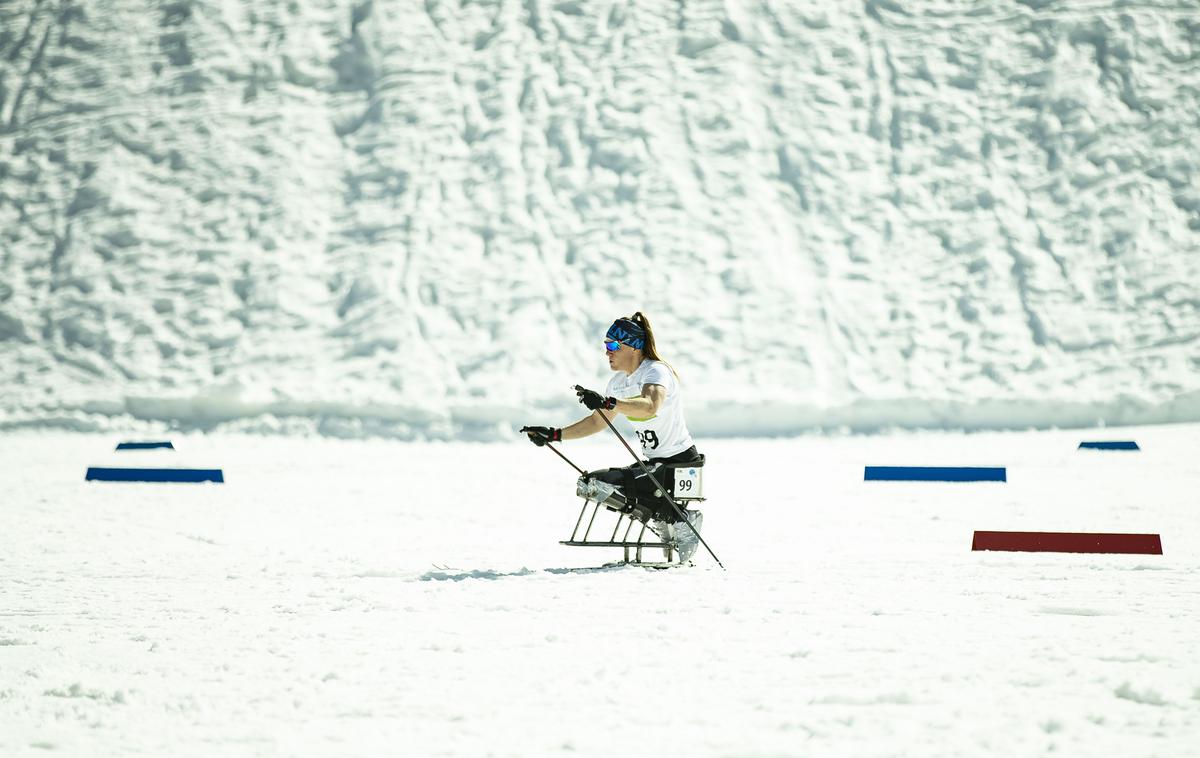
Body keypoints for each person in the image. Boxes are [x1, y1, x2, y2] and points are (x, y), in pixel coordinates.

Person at [521, 312, 705, 561]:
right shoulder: (618, 383)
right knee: (591, 484)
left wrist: (610, 402)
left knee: (603, 484)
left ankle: (677, 519)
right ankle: (668, 517)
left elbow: (650, 405)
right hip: (654, 464)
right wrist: (554, 435)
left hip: (677, 462)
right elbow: (598, 422)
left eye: (613, 345)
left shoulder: (655, 372)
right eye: (606, 345)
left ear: (633, 346)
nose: (607, 351)